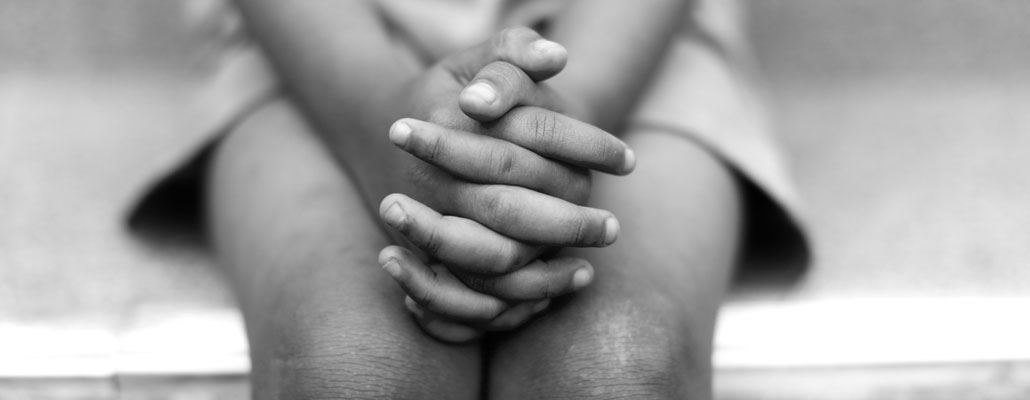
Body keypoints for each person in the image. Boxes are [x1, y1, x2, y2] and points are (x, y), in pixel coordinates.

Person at [198, 0, 807, 398]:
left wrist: (567, 127)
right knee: (352, 372)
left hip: (633, 38)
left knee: (612, 371)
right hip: (311, 45)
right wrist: (373, 118)